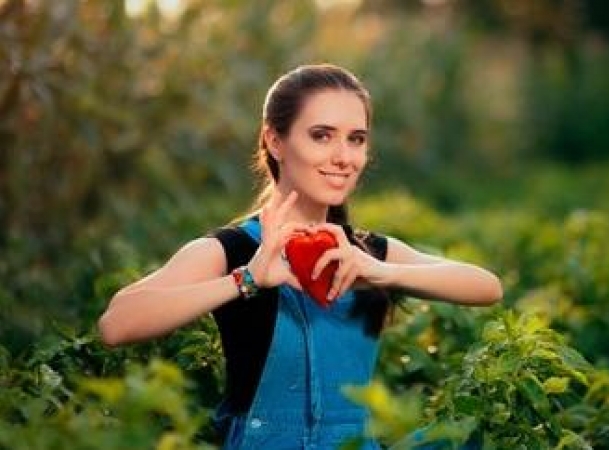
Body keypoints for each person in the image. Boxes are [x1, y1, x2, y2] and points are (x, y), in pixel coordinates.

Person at [98, 63, 503, 449]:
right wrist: (246, 279)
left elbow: (487, 287)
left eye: (356, 139)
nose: (344, 157)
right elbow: (116, 324)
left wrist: (380, 272)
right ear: (275, 141)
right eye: (322, 135)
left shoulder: (367, 252)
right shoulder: (234, 249)